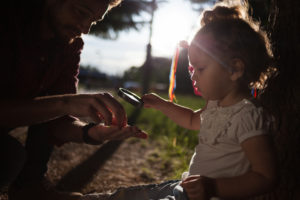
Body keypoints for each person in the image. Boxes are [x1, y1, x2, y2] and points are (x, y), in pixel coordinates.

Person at [81, 2, 277, 200]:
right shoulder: (216, 105)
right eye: (192, 70)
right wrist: (162, 104)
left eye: (200, 69)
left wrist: (214, 188)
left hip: (206, 196)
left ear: (235, 69)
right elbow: (192, 120)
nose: (193, 77)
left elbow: (266, 177)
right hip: (184, 190)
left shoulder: (248, 116)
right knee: (134, 195)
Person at [0, 0, 147, 199]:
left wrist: (91, 132)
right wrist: (65, 103)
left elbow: (59, 121)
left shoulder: (70, 45)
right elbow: (62, 104)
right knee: (9, 156)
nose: (85, 28)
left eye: (93, 22)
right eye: (80, 12)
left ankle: (29, 185)